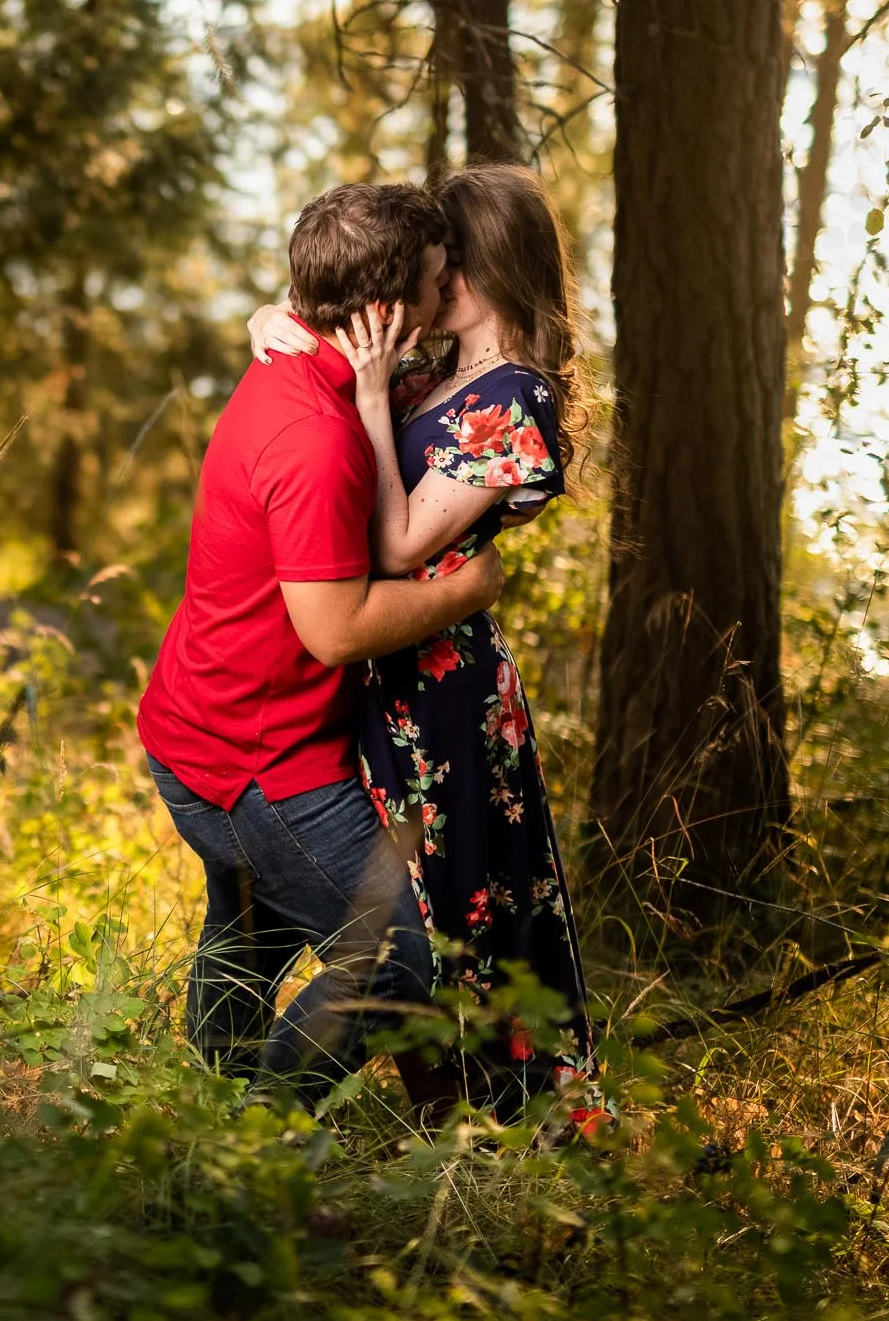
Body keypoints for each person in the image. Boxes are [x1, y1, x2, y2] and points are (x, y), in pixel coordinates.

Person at [138, 180, 507, 1107]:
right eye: (435, 279)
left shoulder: (302, 361)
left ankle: (206, 1106)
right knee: (403, 963)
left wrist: (270, 313)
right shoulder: (316, 438)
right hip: (254, 763)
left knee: (251, 930)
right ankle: (260, 1135)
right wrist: (463, 589)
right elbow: (335, 629)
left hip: (202, 727)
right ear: (382, 310)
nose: (447, 288)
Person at [249, 164, 597, 1121]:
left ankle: (504, 1110)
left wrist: (369, 403)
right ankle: (445, 1114)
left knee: (452, 894)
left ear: (489, 269)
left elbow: (401, 543)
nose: (431, 282)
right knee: (410, 893)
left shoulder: (515, 397)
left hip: (442, 688)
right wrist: (267, 321)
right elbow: (321, 328)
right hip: (378, 666)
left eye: (449, 265)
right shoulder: (434, 371)